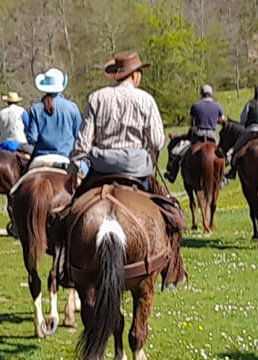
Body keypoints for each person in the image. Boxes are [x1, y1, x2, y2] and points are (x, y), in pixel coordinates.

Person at [69, 51, 186, 280]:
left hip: (101, 168)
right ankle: (172, 270)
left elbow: (83, 141)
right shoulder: (146, 100)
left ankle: (66, 268)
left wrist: (74, 169)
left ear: (117, 75)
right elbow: (156, 140)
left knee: (69, 216)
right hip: (136, 171)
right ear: (135, 75)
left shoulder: (96, 98)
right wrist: (149, 157)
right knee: (171, 215)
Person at [23, 68, 83, 167]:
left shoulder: (36, 109)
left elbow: (32, 138)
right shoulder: (72, 107)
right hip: (65, 158)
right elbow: (79, 135)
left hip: (41, 158)